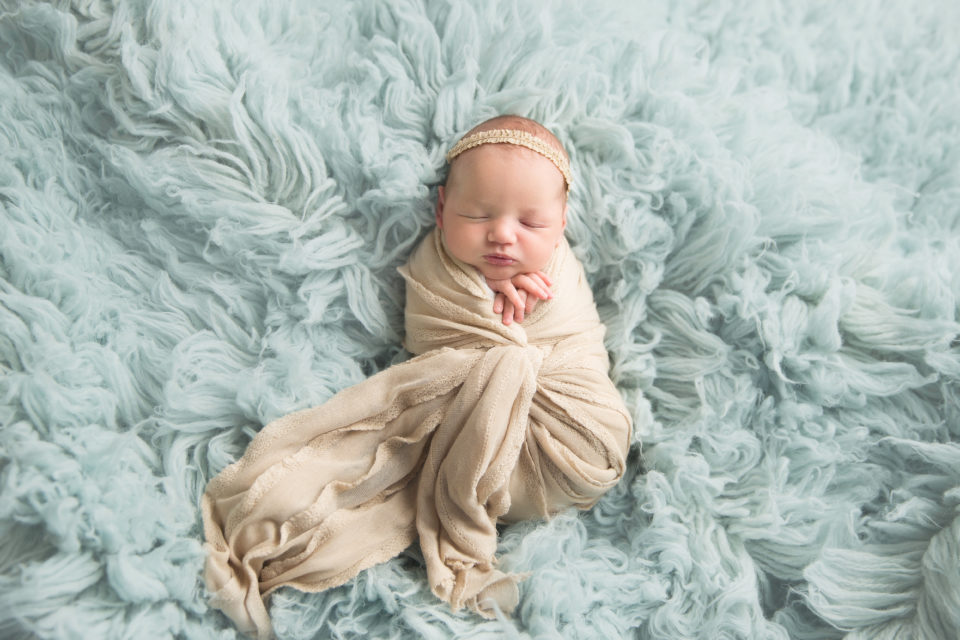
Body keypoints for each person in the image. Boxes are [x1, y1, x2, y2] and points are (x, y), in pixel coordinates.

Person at [202, 115, 633, 640]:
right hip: (482, 460)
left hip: (579, 442)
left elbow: (582, 346)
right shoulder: (433, 267)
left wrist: (510, 345)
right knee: (485, 382)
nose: (502, 234)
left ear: (561, 222)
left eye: (531, 224)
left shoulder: (565, 274)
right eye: (477, 214)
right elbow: (429, 342)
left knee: (517, 380)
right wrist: (499, 331)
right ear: (442, 210)